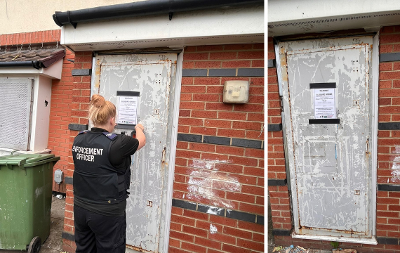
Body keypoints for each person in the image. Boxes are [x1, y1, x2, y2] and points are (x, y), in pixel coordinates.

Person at [72, 94, 146, 253]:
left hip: (80, 208)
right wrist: (139, 128)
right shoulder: (118, 143)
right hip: (107, 212)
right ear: (112, 119)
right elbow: (141, 141)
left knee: (84, 249)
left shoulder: (78, 139)